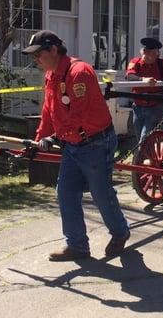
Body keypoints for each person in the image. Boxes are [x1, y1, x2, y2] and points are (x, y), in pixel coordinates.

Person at [23, 30, 130, 261]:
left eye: (38, 54)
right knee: (65, 193)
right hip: (72, 143)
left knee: (101, 193)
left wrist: (54, 138)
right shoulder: (51, 75)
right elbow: (49, 112)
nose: (36, 60)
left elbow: (78, 113)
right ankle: (78, 246)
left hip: (95, 142)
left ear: (53, 50)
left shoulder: (79, 72)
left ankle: (120, 232)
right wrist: (39, 138)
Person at [126, 38, 163, 142]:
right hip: (138, 106)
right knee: (139, 137)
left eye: (151, 53)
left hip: (155, 106)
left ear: (157, 54)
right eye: (146, 52)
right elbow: (129, 76)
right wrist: (143, 79)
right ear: (142, 52)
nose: (147, 56)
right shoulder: (136, 62)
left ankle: (140, 157)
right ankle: (148, 156)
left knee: (144, 138)